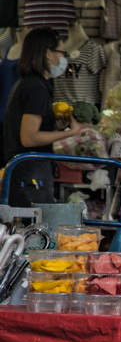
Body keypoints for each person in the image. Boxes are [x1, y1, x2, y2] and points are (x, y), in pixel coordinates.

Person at [1, 27, 85, 207]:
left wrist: (54, 127)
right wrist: (72, 132)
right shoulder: (36, 88)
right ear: (48, 54)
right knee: (34, 230)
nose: (63, 59)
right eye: (62, 52)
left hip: (27, 170)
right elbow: (29, 138)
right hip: (30, 173)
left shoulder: (29, 83)